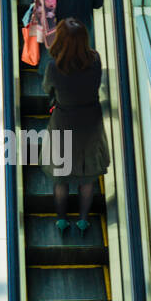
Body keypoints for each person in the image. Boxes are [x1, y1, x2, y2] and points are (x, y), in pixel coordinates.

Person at [42, 18, 110, 235]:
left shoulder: (54, 68)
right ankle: (83, 220)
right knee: (88, 177)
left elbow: (47, 89)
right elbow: (97, 82)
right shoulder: (95, 60)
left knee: (61, 177)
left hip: (64, 122)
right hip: (90, 121)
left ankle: (61, 220)